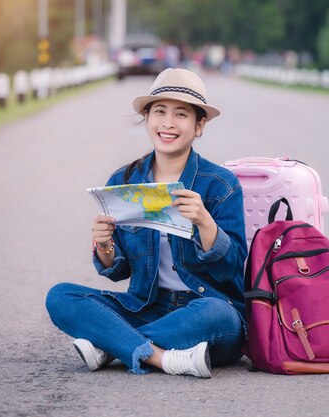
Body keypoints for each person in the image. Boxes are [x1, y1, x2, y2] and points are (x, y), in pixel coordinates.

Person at [46, 68, 248, 378]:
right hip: (145, 306)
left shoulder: (221, 185)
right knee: (60, 296)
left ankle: (113, 345)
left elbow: (233, 270)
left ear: (199, 125)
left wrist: (206, 223)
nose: (168, 123)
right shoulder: (125, 181)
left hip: (205, 309)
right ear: (147, 118)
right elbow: (118, 271)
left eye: (181, 114)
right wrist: (104, 245)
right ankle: (162, 358)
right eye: (159, 112)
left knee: (219, 315)